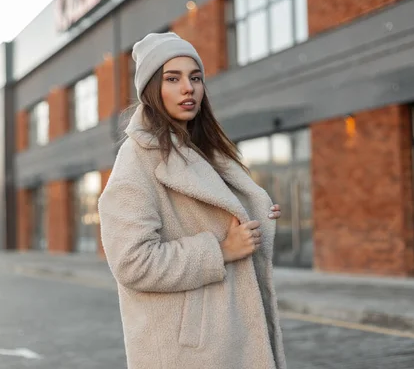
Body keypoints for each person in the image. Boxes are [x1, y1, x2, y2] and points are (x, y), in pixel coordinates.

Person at [98, 32, 287, 369]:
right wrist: (221, 250)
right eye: (173, 78)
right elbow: (132, 261)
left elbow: (210, 216)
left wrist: (255, 210)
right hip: (188, 351)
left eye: (195, 77)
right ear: (152, 90)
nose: (189, 88)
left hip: (225, 333)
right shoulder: (137, 159)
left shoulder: (204, 148)